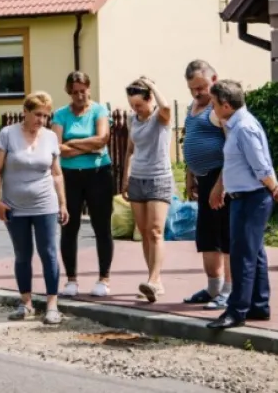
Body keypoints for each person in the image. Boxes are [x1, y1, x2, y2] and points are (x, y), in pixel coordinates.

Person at [204, 79, 278, 330]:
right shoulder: (237, 125)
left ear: (226, 105)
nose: (212, 108)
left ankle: (236, 311)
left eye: (214, 103)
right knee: (255, 253)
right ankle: (258, 305)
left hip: (251, 198)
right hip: (246, 197)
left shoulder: (243, 128)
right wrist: (221, 186)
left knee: (242, 256)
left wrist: (274, 188)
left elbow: (261, 165)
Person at [0, 91, 70, 325]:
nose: (41, 120)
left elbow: (56, 173)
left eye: (45, 116)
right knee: (22, 254)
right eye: (37, 115)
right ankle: (26, 303)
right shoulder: (7, 134)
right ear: (25, 112)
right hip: (15, 206)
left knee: (49, 253)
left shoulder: (50, 137)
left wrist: (62, 203)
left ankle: (52, 305)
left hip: (45, 205)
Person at [51, 71, 115, 298]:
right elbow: (57, 147)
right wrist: (88, 147)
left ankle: (104, 278)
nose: (79, 96)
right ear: (69, 92)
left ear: (89, 89)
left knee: (101, 226)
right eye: (75, 92)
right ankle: (71, 279)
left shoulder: (99, 110)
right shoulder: (60, 114)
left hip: (98, 173)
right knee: (69, 226)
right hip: (70, 175)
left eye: (83, 91)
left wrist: (73, 143)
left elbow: (102, 139)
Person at [181, 60, 232, 311]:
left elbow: (231, 148)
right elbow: (189, 140)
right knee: (207, 237)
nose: (197, 92)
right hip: (202, 179)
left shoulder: (219, 109)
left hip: (220, 179)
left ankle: (229, 290)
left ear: (214, 80)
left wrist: (220, 184)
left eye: (201, 87)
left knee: (225, 236)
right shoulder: (192, 107)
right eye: (192, 88)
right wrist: (190, 176)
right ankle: (213, 287)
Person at [121, 77, 173, 303]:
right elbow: (130, 150)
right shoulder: (132, 119)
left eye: (139, 105)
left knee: (155, 231)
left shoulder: (160, 117)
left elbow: (166, 107)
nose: (136, 109)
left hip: (159, 178)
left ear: (150, 99)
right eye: (132, 105)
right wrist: (125, 178)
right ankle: (155, 281)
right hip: (137, 179)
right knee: (143, 232)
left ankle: (153, 280)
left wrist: (153, 85)